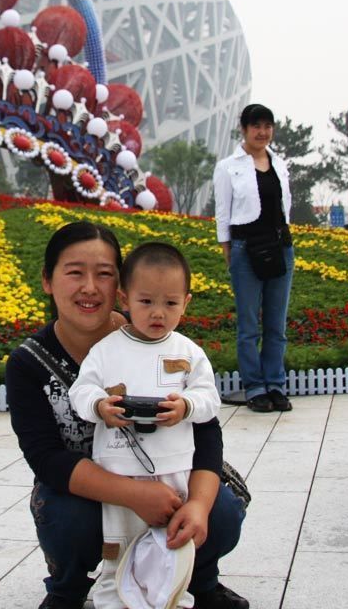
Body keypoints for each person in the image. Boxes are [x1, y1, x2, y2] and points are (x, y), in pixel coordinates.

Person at [5, 222, 248, 609]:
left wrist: (198, 504)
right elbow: (46, 458)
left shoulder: (162, 341)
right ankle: (68, 588)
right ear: (48, 281)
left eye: (103, 274)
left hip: (170, 469)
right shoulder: (28, 363)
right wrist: (135, 494)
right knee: (67, 518)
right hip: (86, 489)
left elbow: (206, 430)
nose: (89, 287)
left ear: (120, 285)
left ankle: (199, 579)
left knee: (219, 509)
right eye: (74, 272)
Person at [69, 242, 222, 609]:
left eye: (170, 303)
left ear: (186, 302)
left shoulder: (189, 352)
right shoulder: (107, 349)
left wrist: (186, 406)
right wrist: (100, 406)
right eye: (146, 301)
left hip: (174, 469)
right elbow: (81, 390)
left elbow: (210, 400)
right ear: (125, 299)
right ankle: (111, 599)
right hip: (120, 470)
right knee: (120, 544)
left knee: (171, 543)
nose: (158, 314)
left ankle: (172, 599)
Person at [212, 104, 294, 413]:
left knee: (277, 324)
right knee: (248, 325)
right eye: (256, 126)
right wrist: (227, 250)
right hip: (246, 249)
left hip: (280, 246)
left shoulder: (279, 163)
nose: (262, 132)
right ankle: (255, 387)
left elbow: (287, 205)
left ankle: (275, 384)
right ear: (244, 129)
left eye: (268, 126)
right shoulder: (228, 166)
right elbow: (223, 212)